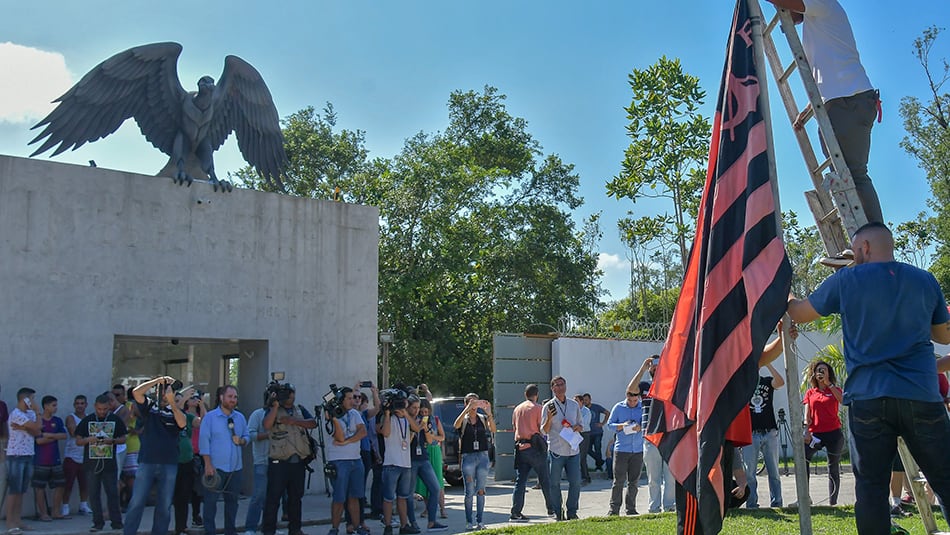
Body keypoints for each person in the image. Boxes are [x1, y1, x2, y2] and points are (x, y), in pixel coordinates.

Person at [788, 221, 950, 534]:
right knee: (945, 479)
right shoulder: (925, 280)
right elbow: (942, 334)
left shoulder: (847, 279)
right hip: (921, 395)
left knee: (872, 490)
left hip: (868, 401)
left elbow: (800, 313)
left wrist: (783, 291)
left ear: (863, 248)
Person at [766, 0, 882, 225]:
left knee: (854, 175)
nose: (786, 18)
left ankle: (876, 244)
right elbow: (825, 77)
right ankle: (861, 238)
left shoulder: (822, 3)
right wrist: (808, 111)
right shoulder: (815, 24)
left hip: (848, 101)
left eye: (786, 12)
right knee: (843, 177)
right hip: (839, 103)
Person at [123, 376, 187, 535]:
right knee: (136, 502)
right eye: (164, 390)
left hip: (169, 463)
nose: (166, 393)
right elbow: (137, 392)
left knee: (164, 505)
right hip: (147, 461)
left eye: (169, 390)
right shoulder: (150, 407)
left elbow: (182, 423)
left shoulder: (177, 411)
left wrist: (172, 402)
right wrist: (158, 380)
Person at [261, 382, 316, 535]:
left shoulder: (299, 409)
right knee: (273, 499)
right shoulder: (273, 410)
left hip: (298, 461)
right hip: (279, 462)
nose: (288, 397)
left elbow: (312, 423)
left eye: (289, 394)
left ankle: (295, 529)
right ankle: (268, 530)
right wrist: (275, 406)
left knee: (295, 498)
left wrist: (294, 421)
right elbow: (266, 425)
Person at [199, 385, 248, 535]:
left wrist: (241, 441)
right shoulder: (210, 417)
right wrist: (207, 464)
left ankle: (230, 531)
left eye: (235, 397)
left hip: (235, 468)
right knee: (210, 503)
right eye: (230, 396)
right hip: (215, 468)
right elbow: (204, 441)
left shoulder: (239, 417)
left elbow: (247, 436)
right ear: (221, 397)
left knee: (232, 503)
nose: (233, 400)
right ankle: (210, 531)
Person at [75, 393, 128, 532]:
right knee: (94, 494)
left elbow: (123, 438)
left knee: (112, 493)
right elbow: (78, 440)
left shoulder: (115, 420)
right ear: (95, 407)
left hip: (109, 463)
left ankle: (116, 522)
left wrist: (113, 441)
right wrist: (89, 440)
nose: (102, 412)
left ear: (109, 407)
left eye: (105, 409)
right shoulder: (88, 420)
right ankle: (97, 523)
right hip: (91, 464)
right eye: (99, 409)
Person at [630, 355, 675, 513]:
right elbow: (630, 389)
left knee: (670, 477)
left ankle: (669, 506)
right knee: (653, 478)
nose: (655, 367)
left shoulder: (670, 384)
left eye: (658, 364)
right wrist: (642, 369)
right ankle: (654, 508)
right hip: (650, 437)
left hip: (669, 436)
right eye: (652, 365)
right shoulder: (644, 386)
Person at [741, 358, 788, 509]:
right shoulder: (743, 385)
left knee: (773, 471)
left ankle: (777, 502)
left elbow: (780, 382)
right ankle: (751, 503)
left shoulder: (767, 382)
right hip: (751, 433)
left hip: (769, 432)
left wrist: (767, 363)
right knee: (750, 472)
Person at [325, 387, 369, 535]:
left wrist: (347, 441)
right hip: (339, 461)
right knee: (339, 497)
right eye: (349, 398)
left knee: (354, 497)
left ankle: (356, 528)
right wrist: (334, 418)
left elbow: (363, 431)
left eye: (353, 398)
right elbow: (339, 437)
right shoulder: (332, 416)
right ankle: (334, 528)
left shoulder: (355, 413)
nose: (352, 401)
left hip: (356, 460)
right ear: (341, 400)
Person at [801, 360, 844, 506]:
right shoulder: (810, 392)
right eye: (819, 370)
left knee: (833, 467)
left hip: (834, 433)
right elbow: (807, 414)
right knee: (803, 459)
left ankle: (833, 502)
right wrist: (806, 430)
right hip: (815, 434)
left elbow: (843, 400)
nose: (821, 373)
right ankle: (805, 497)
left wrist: (829, 384)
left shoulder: (835, 389)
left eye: (824, 370)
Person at [540, 377, 583, 521]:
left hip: (573, 450)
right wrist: (549, 419)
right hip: (557, 450)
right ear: (552, 388)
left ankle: (572, 511)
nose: (560, 387)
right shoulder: (548, 407)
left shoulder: (573, 405)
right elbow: (544, 431)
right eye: (557, 385)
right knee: (554, 483)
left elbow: (581, 425)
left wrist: (577, 427)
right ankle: (558, 512)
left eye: (562, 384)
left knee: (576, 482)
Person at [378, 393, 421, 535]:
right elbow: (385, 433)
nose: (401, 405)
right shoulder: (387, 417)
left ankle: (404, 526)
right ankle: (388, 526)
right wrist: (388, 413)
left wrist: (406, 414)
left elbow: (417, 428)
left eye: (404, 403)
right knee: (389, 498)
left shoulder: (407, 419)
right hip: (391, 463)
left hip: (405, 464)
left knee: (402, 497)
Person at [509, 384, 553, 522]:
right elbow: (543, 429)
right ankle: (551, 509)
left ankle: (516, 512)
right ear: (537, 394)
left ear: (525, 394)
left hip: (520, 447)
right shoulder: (538, 408)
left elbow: (514, 427)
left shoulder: (517, 409)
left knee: (520, 481)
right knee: (545, 479)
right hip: (535, 447)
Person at [403, 396, 446, 533]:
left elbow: (428, 440)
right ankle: (413, 522)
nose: (417, 411)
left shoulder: (422, 420)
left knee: (435, 488)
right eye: (414, 408)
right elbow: (406, 443)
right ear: (408, 408)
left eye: (418, 408)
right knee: (409, 493)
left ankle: (432, 522)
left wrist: (425, 429)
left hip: (424, 458)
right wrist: (415, 428)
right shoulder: (405, 421)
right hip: (410, 460)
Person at [453, 393, 495, 531]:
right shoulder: (464, 420)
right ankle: (469, 521)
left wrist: (489, 413)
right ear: (466, 404)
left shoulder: (482, 418)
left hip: (482, 456)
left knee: (481, 490)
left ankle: (480, 521)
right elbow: (456, 425)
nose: (474, 406)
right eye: (471, 403)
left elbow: (493, 429)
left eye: (476, 403)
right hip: (468, 457)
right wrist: (466, 409)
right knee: (469, 491)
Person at [6, 387, 41, 535]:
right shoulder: (16, 414)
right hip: (16, 455)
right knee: (14, 489)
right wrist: (37, 413)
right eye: (32, 399)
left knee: (21, 490)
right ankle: (10, 522)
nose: (33, 402)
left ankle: (18, 520)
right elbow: (35, 426)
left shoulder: (30, 414)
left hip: (28, 454)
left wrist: (24, 427)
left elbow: (38, 430)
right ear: (25, 399)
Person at [606, 383, 644, 516]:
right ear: (626, 396)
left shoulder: (642, 407)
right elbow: (609, 425)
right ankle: (614, 509)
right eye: (630, 400)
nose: (633, 403)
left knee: (634, 482)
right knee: (618, 481)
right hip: (622, 449)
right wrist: (622, 425)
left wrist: (640, 427)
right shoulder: (618, 407)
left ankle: (631, 508)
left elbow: (649, 424)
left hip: (638, 450)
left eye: (635, 400)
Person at [32, 395, 69, 521]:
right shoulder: (38, 421)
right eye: (53, 405)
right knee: (39, 487)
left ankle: (55, 511)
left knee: (60, 484)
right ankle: (43, 513)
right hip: (40, 460)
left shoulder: (57, 420)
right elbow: (39, 441)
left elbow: (64, 435)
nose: (56, 408)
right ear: (45, 406)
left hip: (55, 459)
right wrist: (53, 436)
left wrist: (48, 435)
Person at [414, 399, 446, 519]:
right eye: (421, 412)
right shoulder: (416, 421)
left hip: (434, 450)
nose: (424, 414)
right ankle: (427, 509)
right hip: (422, 450)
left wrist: (431, 435)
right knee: (424, 482)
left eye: (426, 412)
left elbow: (442, 437)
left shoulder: (435, 419)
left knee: (438, 480)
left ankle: (443, 509)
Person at [243, 391, 270, 535]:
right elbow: (250, 435)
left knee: (272, 498)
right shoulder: (257, 414)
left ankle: (268, 528)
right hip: (262, 461)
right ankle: (250, 527)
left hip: (279, 461)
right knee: (259, 495)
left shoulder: (282, 413)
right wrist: (268, 435)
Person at [173, 390, 200, 535]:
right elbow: (175, 410)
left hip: (187, 461)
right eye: (176, 400)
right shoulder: (169, 417)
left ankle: (181, 527)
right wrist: (182, 399)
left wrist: (200, 405)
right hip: (171, 463)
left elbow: (202, 422)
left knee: (184, 496)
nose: (180, 402)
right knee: (172, 496)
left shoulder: (189, 417)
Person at [63, 394, 92, 517]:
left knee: (85, 483)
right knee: (68, 483)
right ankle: (65, 506)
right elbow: (73, 432)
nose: (80, 406)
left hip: (85, 455)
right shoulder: (71, 417)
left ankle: (83, 505)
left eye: (82, 403)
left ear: (86, 405)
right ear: (74, 405)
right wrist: (89, 436)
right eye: (77, 403)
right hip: (72, 455)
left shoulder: (89, 418)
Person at [583, 393, 608, 472]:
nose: (585, 401)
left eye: (586, 400)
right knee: (587, 449)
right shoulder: (582, 409)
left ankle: (598, 466)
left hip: (597, 432)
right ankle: (600, 461)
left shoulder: (596, 407)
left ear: (590, 399)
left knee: (598, 448)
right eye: (584, 400)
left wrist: (602, 423)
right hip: (588, 432)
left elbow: (607, 413)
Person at [574, 394, 592, 485]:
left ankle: (585, 477)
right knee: (576, 456)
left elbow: (584, 424)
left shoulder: (586, 411)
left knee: (582, 456)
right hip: (575, 434)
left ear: (581, 402)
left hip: (584, 434)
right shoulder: (573, 411)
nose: (575, 403)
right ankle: (582, 477)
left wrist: (575, 426)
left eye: (576, 401)